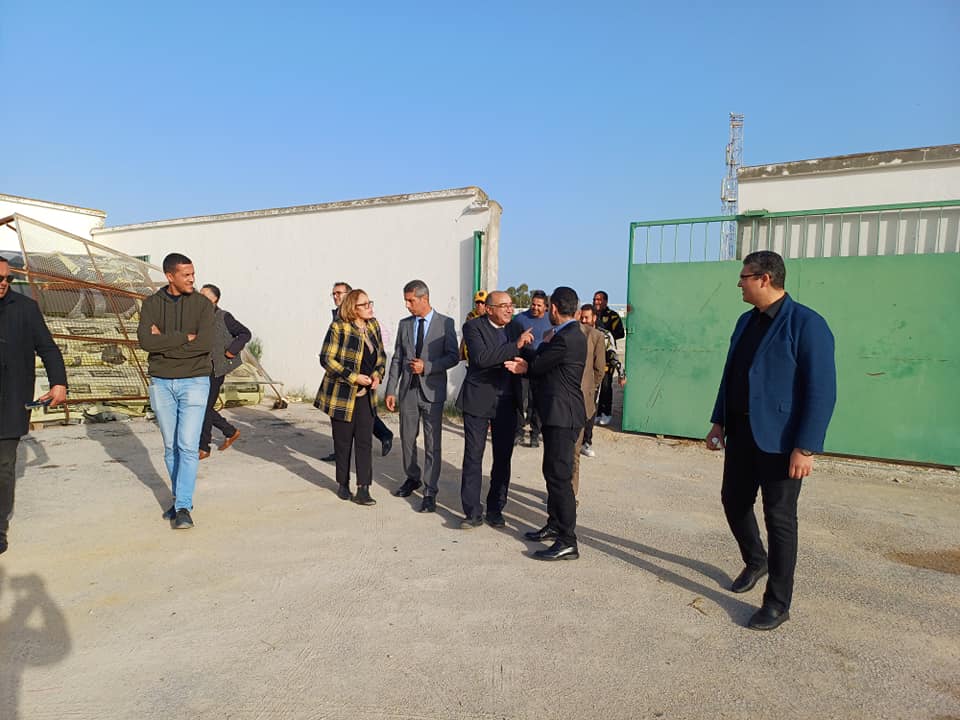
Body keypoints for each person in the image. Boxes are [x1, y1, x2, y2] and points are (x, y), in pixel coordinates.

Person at [706, 250, 836, 631]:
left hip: (782, 442)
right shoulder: (745, 322)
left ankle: (778, 603)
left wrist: (806, 446)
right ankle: (755, 559)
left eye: (744, 277)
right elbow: (731, 374)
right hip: (742, 434)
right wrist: (719, 421)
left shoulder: (807, 324)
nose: (739, 283)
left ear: (765, 278)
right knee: (733, 500)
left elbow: (822, 391)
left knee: (780, 519)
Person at [506, 286, 586, 561]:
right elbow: (543, 359)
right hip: (556, 415)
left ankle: (567, 540)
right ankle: (554, 524)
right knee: (551, 472)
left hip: (563, 416)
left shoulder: (566, 337)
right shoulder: (565, 334)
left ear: (553, 308)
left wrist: (527, 363)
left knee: (560, 477)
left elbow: (540, 365)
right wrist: (532, 350)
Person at [137, 252, 215, 530]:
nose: (192, 279)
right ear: (170, 276)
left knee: (187, 445)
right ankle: (180, 498)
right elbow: (145, 341)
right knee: (171, 446)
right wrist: (184, 338)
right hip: (161, 382)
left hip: (195, 381)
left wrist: (164, 344)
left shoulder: (203, 305)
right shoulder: (151, 304)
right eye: (186, 275)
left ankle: (182, 506)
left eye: (193, 273)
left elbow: (205, 343)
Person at [0, 258, 67, 554]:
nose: (4, 283)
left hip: (10, 400)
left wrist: (58, 383)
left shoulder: (25, 308)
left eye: (8, 279)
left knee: (4, 467)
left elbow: (48, 348)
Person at [456, 291, 533, 528]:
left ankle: (496, 508)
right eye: (504, 305)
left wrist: (530, 361)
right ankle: (472, 512)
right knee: (473, 456)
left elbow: (527, 355)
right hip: (479, 399)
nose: (510, 309)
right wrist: (515, 346)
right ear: (489, 309)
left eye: (511, 305)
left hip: (507, 402)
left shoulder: (515, 327)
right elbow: (481, 358)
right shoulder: (473, 327)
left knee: (503, 458)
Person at [385, 280, 459, 513]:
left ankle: (430, 491)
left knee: (432, 444)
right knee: (407, 440)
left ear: (424, 298)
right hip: (408, 391)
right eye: (406, 301)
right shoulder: (405, 324)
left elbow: (453, 357)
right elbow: (397, 358)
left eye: (411, 301)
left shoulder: (445, 323)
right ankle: (412, 477)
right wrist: (390, 389)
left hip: (432, 393)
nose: (407, 305)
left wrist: (427, 367)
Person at [315, 289, 386, 506]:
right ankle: (343, 483)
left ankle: (363, 488)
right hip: (342, 394)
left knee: (364, 442)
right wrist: (353, 377)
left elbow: (381, 355)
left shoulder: (373, 325)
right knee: (343, 442)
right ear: (353, 309)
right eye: (364, 304)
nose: (370, 307)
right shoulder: (339, 327)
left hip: (366, 394)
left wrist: (377, 375)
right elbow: (327, 359)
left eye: (370, 303)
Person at [321, 281, 393, 460]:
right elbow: (329, 356)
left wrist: (377, 374)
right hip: (344, 383)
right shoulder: (337, 320)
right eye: (334, 294)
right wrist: (351, 375)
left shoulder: (368, 322)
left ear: (350, 296)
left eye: (339, 293)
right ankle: (341, 453)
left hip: (363, 381)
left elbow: (379, 352)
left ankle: (384, 434)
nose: (336, 296)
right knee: (343, 424)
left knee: (365, 421)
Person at [197, 284, 251, 459]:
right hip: (199, 368)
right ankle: (230, 431)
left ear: (215, 300)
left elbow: (245, 333)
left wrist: (231, 351)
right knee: (202, 406)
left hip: (216, 368)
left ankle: (204, 447)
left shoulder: (223, 317)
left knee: (204, 408)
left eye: (204, 296)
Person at [571, 305, 606, 496]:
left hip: (583, 400)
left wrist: (590, 388)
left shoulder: (597, 337)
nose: (583, 321)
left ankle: (570, 494)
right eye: (581, 317)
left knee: (573, 452)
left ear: (594, 319)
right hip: (569, 399)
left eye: (587, 318)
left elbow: (600, 369)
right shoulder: (569, 334)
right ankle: (563, 493)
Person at [512, 289, 553, 448]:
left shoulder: (551, 320)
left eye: (539, 305)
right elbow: (512, 341)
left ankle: (535, 433)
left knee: (537, 400)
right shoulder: (520, 319)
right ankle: (519, 431)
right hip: (522, 363)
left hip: (541, 364)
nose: (535, 308)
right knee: (520, 398)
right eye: (533, 304)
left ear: (546, 307)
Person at [592, 290, 625, 426]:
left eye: (599, 299)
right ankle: (595, 413)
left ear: (605, 301)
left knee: (606, 384)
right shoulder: (591, 314)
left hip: (607, 355)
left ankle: (606, 413)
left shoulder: (613, 316)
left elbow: (620, 333)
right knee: (593, 385)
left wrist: (606, 337)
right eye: (595, 299)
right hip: (593, 355)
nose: (596, 302)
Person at [459, 289, 488, 362]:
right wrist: (460, 351)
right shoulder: (471, 316)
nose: (479, 305)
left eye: (482, 302)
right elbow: (465, 335)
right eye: (477, 302)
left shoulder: (490, 317)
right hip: (470, 356)